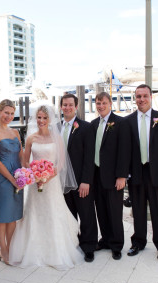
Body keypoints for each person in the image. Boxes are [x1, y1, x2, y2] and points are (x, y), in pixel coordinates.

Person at [9, 104, 84, 270]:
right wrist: (35, 175)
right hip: (36, 185)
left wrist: (47, 177)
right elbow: (25, 161)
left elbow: (61, 163)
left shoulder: (57, 138)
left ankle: (56, 252)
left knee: (52, 212)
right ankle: (33, 250)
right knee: (35, 213)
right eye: (39, 117)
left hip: (52, 182)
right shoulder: (31, 139)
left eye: (44, 117)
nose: (41, 120)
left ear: (50, 119)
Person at [126, 84, 158, 262]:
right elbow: (126, 151)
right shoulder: (128, 121)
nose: (142, 99)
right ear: (135, 98)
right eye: (138, 96)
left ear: (150, 97)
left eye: (145, 96)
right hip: (136, 173)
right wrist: (126, 173)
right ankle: (138, 242)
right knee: (138, 210)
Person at [91, 92, 131, 260]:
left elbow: (124, 151)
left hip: (114, 177)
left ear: (110, 104)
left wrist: (122, 176)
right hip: (96, 176)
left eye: (104, 103)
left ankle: (116, 244)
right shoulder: (93, 124)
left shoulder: (121, 123)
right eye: (98, 103)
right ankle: (105, 240)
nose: (101, 105)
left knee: (114, 212)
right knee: (101, 211)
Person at [60, 94, 98, 263]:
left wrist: (86, 181)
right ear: (61, 107)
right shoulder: (55, 127)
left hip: (80, 180)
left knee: (87, 213)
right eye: (64, 105)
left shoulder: (86, 127)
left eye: (70, 105)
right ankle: (72, 244)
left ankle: (89, 246)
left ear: (76, 106)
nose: (67, 108)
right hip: (61, 181)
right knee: (69, 215)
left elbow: (90, 156)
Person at [0, 100, 23, 264]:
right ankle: (3, 250)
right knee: (2, 216)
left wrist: (25, 174)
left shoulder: (15, 133)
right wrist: (11, 179)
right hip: (3, 178)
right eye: (6, 112)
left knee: (12, 216)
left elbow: (21, 155)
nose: (9, 116)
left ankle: (12, 247)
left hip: (18, 177)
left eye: (11, 113)